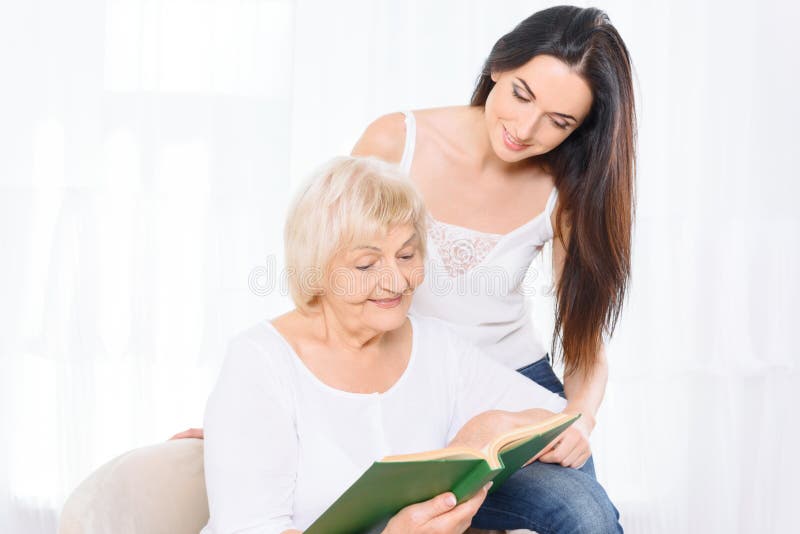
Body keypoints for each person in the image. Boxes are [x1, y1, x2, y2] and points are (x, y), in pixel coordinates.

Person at [179, 5, 633, 532]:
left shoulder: (562, 192)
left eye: (559, 122)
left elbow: (586, 343)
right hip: (400, 378)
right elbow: (335, 256)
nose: (525, 128)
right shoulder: (399, 139)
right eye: (522, 95)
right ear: (498, 67)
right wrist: (270, 405)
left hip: (508, 389)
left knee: (584, 514)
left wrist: (578, 421)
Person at [201, 156, 572, 534]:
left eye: (407, 255)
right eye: (366, 265)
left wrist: (486, 426)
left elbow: (556, 418)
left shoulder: (436, 345)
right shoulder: (260, 362)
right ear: (315, 267)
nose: (396, 282)